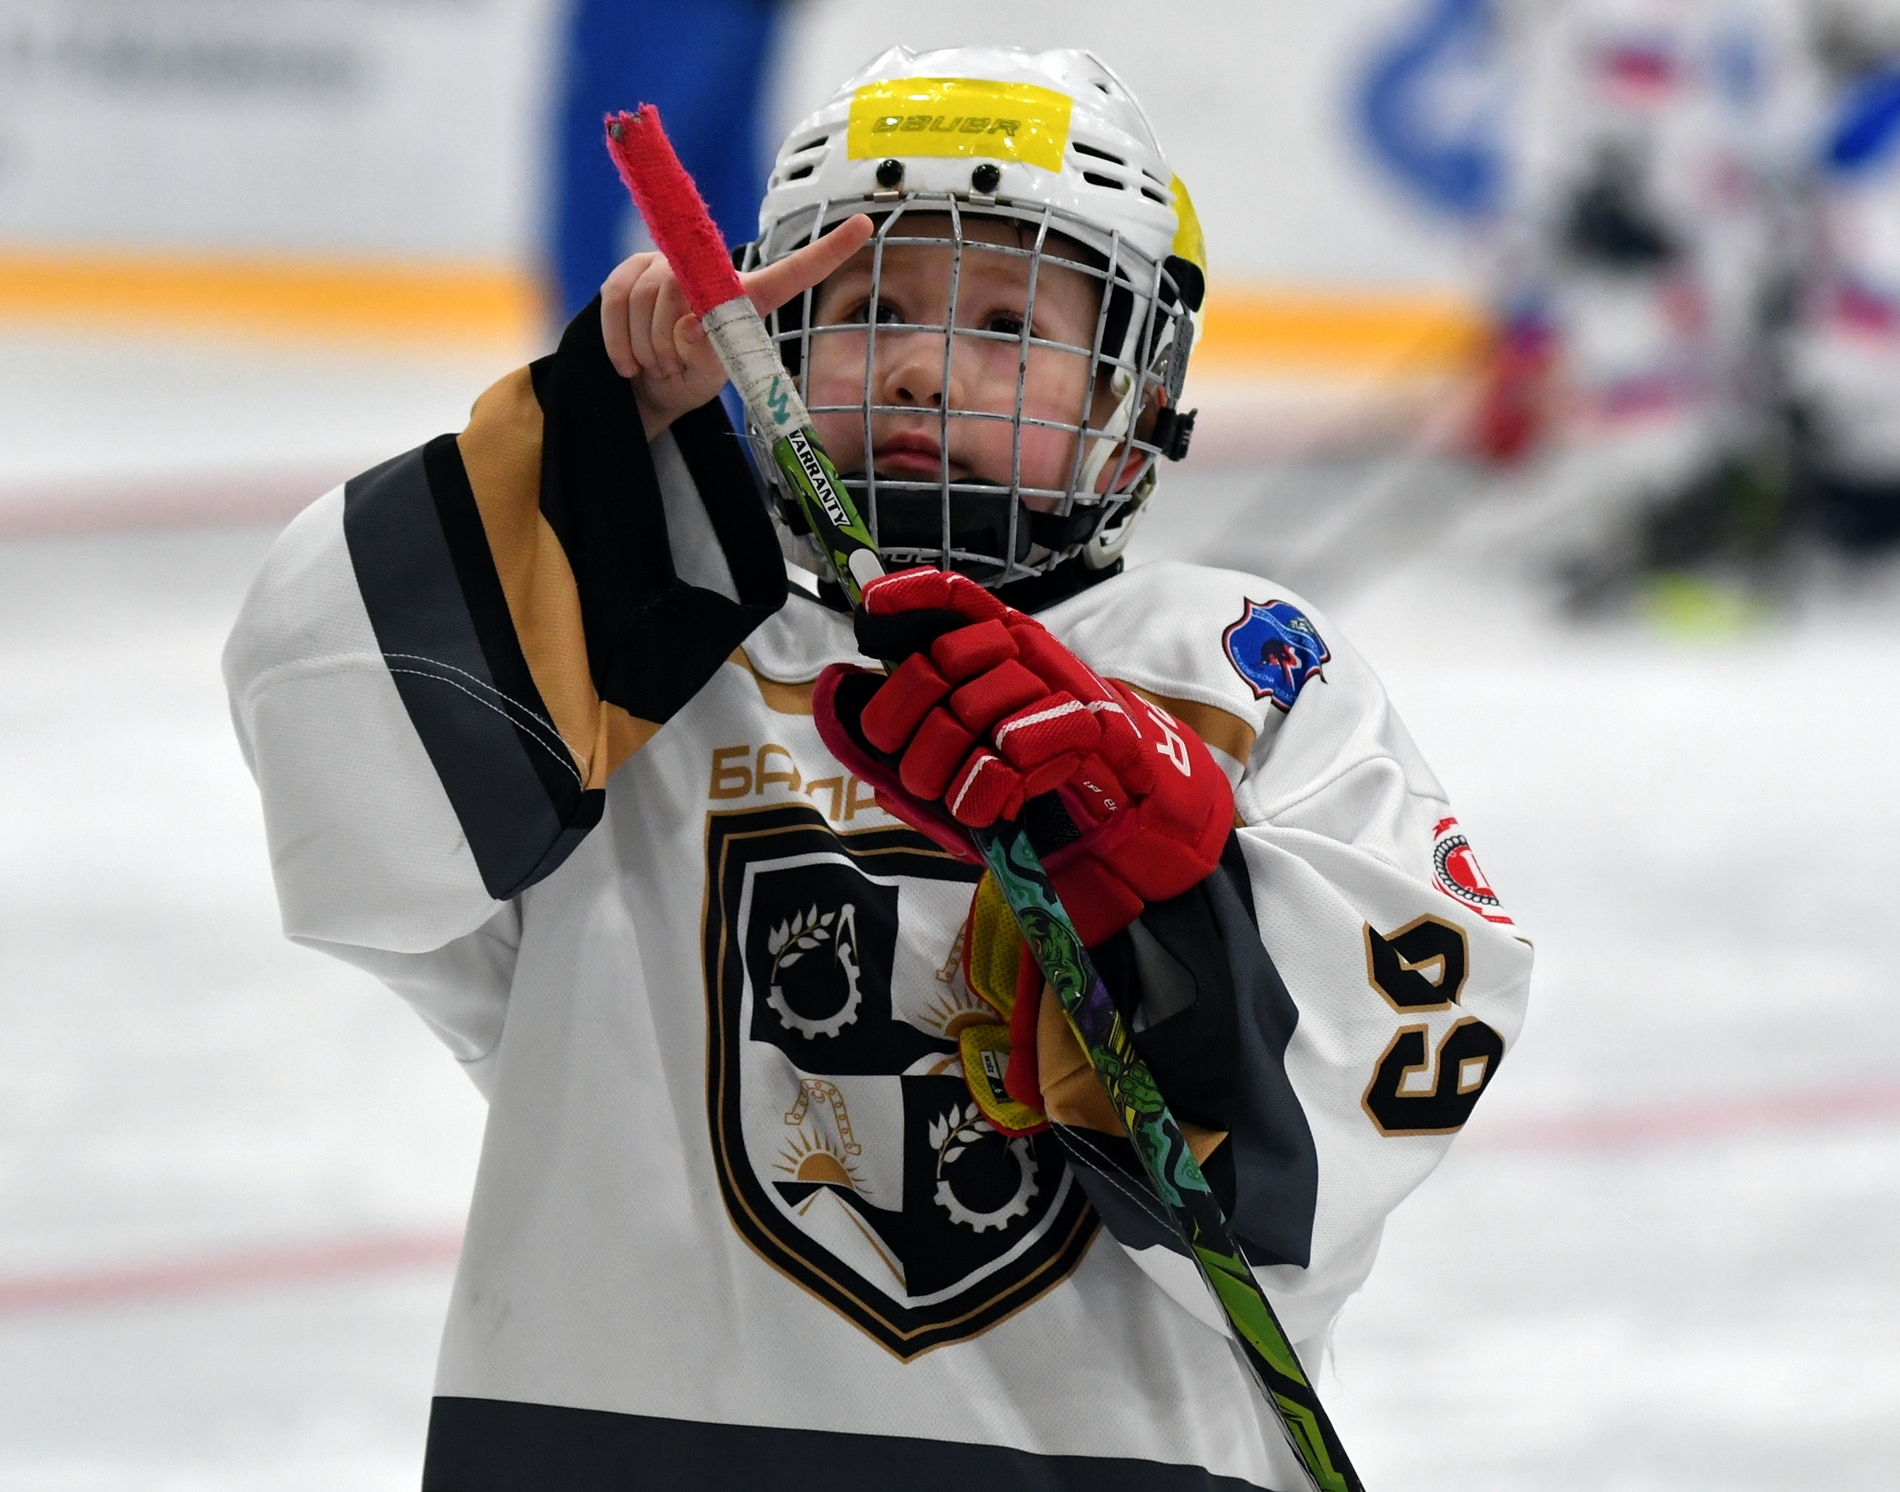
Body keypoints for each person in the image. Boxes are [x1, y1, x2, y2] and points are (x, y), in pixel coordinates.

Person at [224, 45, 1533, 1491]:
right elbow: (334, 750)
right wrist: (592, 446)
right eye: (871, 309)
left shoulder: (1233, 668)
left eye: (1004, 321)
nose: (918, 360)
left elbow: (1394, 1057)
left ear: (1134, 390)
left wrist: (1162, 865)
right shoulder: (641, 642)